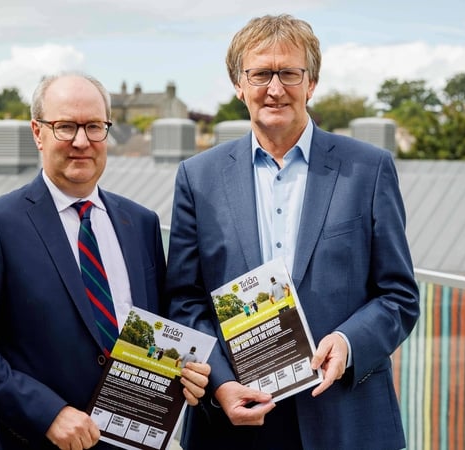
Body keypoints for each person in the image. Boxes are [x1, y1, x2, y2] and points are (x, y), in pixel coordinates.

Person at [165, 14, 420, 450]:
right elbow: (185, 300)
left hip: (344, 415)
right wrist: (222, 384)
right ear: (238, 84)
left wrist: (348, 342)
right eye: (261, 74)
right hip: (235, 420)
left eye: (289, 73)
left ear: (312, 82)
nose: (275, 88)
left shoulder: (368, 170)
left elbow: (399, 295)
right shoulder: (198, 177)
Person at [0, 72, 210, 450]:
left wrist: (187, 371)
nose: (82, 142)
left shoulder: (141, 223)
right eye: (66, 127)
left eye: (94, 127)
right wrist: (47, 413)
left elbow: (158, 329)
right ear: (37, 132)